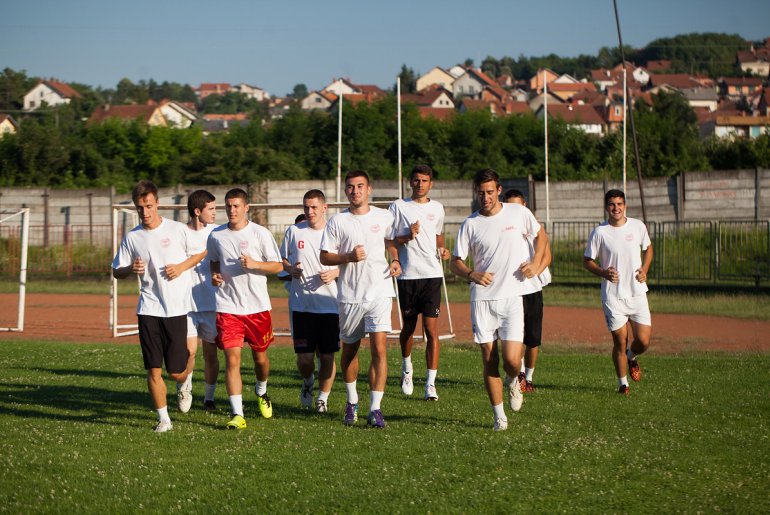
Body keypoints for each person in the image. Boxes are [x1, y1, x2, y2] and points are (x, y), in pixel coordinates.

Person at [450, 169, 547, 431]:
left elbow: (541, 236)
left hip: (512, 299)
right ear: (475, 193)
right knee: (489, 359)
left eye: (490, 192)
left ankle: (514, 381)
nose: (485, 197)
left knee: (513, 361)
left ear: (499, 190)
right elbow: (455, 263)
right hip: (482, 301)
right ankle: (499, 417)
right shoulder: (470, 224)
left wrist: (536, 264)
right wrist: (472, 273)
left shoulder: (518, 213)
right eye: (480, 192)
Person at [112, 180, 204, 432]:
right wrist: (130, 269)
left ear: (157, 204)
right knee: (153, 369)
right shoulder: (132, 238)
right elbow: (116, 271)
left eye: (149, 206)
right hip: (148, 309)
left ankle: (185, 382)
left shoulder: (176, 230)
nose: (145, 212)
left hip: (175, 310)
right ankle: (164, 419)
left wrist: (181, 267)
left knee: (176, 372)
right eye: (140, 207)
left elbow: (200, 253)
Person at [320, 170, 401, 428]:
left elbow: (391, 241)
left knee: (379, 349)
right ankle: (352, 401)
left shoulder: (384, 216)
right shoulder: (337, 221)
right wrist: (348, 258)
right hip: (350, 295)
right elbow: (325, 256)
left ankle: (376, 408)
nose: (355, 191)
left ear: (369, 189)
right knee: (350, 351)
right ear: (346, 191)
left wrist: (396, 259)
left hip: (379, 290)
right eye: (351, 187)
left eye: (360, 186)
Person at [206, 188, 283, 429]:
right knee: (232, 359)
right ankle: (238, 414)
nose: (232, 210)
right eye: (228, 206)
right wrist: (215, 275)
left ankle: (261, 391)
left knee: (260, 359)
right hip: (228, 307)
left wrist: (255, 264)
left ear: (246, 207)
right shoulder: (216, 235)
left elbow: (278, 266)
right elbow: (214, 261)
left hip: (257, 307)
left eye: (237, 205)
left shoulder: (260, 233)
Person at [583, 189, 653, 395]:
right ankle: (623, 384)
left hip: (637, 293)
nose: (616, 208)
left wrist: (645, 270)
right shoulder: (599, 232)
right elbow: (587, 261)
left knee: (643, 341)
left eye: (619, 204)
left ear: (625, 206)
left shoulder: (638, 226)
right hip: (613, 296)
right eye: (612, 204)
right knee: (619, 341)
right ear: (606, 207)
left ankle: (632, 357)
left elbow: (648, 248)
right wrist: (603, 272)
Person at [389, 164, 450, 401]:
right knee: (408, 329)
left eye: (424, 180)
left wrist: (442, 248)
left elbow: (438, 235)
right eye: (416, 180)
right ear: (410, 182)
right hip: (408, 277)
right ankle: (407, 369)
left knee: (431, 330)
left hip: (432, 276)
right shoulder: (398, 206)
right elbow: (391, 240)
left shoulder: (437, 208)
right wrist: (408, 235)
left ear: (430, 183)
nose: (420, 184)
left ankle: (431, 384)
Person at [281, 191, 340, 413]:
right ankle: (308, 383)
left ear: (325, 207)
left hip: (329, 304)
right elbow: (283, 260)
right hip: (301, 306)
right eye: (306, 207)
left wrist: (335, 272)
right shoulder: (294, 231)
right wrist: (290, 269)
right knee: (305, 360)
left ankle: (322, 398)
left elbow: (348, 262)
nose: (310, 212)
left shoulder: (334, 232)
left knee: (327, 356)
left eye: (314, 207)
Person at [502, 189, 552, 393]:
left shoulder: (534, 228)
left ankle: (529, 377)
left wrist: (535, 269)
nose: (514, 209)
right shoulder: (503, 226)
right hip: (510, 290)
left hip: (532, 289)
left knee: (532, 338)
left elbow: (547, 255)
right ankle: (519, 373)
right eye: (509, 205)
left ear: (525, 205)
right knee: (514, 335)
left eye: (518, 205)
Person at [182, 189, 220, 413]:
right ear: (198, 211)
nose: (216, 213)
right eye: (211, 209)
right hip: (186, 304)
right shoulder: (180, 233)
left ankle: (209, 397)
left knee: (211, 353)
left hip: (212, 304)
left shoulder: (217, 233)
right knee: (189, 352)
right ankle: (185, 388)